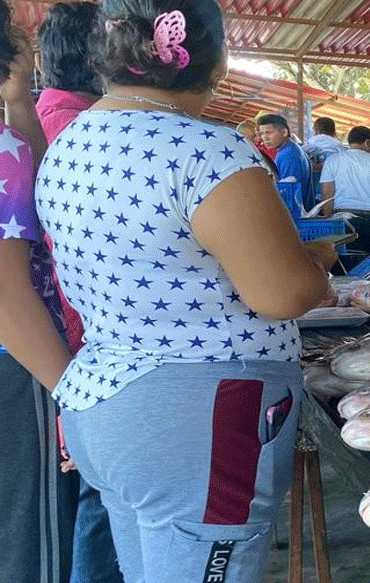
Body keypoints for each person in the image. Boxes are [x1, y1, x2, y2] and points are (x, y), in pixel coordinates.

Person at [36, 0, 338, 580]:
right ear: (216, 60)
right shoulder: (207, 149)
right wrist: (316, 264)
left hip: (105, 400)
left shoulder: (70, 144)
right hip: (201, 419)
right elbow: (284, 294)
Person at [35, 3, 126, 582]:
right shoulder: (86, 131)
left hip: (64, 346)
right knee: (103, 498)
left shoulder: (46, 119)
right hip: (82, 345)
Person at [0, 4, 74, 583]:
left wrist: (21, 104)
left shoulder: (12, 143)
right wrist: (73, 394)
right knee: (30, 547)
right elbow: (7, 299)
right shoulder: (5, 150)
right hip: (19, 368)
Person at [319, 125, 370, 257]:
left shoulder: (332, 160)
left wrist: (329, 221)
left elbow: (327, 194)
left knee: (346, 261)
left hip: (342, 220)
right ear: (367, 142)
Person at [257, 112, 312, 218]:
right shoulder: (289, 149)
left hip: (294, 217)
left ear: (284, 132)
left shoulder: (289, 154)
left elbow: (288, 192)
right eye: (262, 133)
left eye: (269, 132)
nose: (265, 137)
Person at [303, 116, 346, 210]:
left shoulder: (308, 145)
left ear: (315, 131)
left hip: (312, 195)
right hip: (334, 196)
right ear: (334, 132)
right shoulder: (340, 147)